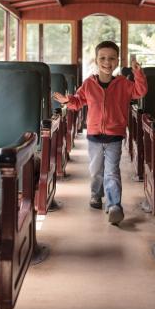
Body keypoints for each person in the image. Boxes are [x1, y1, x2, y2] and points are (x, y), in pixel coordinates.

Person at [53, 41, 147, 224]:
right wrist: (67, 101)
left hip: (115, 136)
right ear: (96, 60)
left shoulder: (123, 84)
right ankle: (96, 194)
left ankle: (114, 206)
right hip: (94, 136)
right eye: (102, 58)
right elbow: (78, 101)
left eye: (112, 58)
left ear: (117, 61)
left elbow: (140, 91)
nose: (107, 62)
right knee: (96, 170)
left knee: (112, 171)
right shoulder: (89, 84)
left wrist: (137, 73)